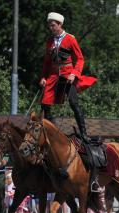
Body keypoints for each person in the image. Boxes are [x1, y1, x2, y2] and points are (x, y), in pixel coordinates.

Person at [39, 12, 97, 141]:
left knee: (73, 103)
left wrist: (74, 74)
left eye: (53, 25)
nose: (50, 27)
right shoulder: (49, 41)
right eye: (49, 25)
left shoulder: (70, 38)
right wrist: (43, 77)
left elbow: (80, 59)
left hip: (68, 75)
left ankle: (84, 134)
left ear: (60, 24)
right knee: (44, 103)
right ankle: (51, 131)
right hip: (53, 76)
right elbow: (47, 62)